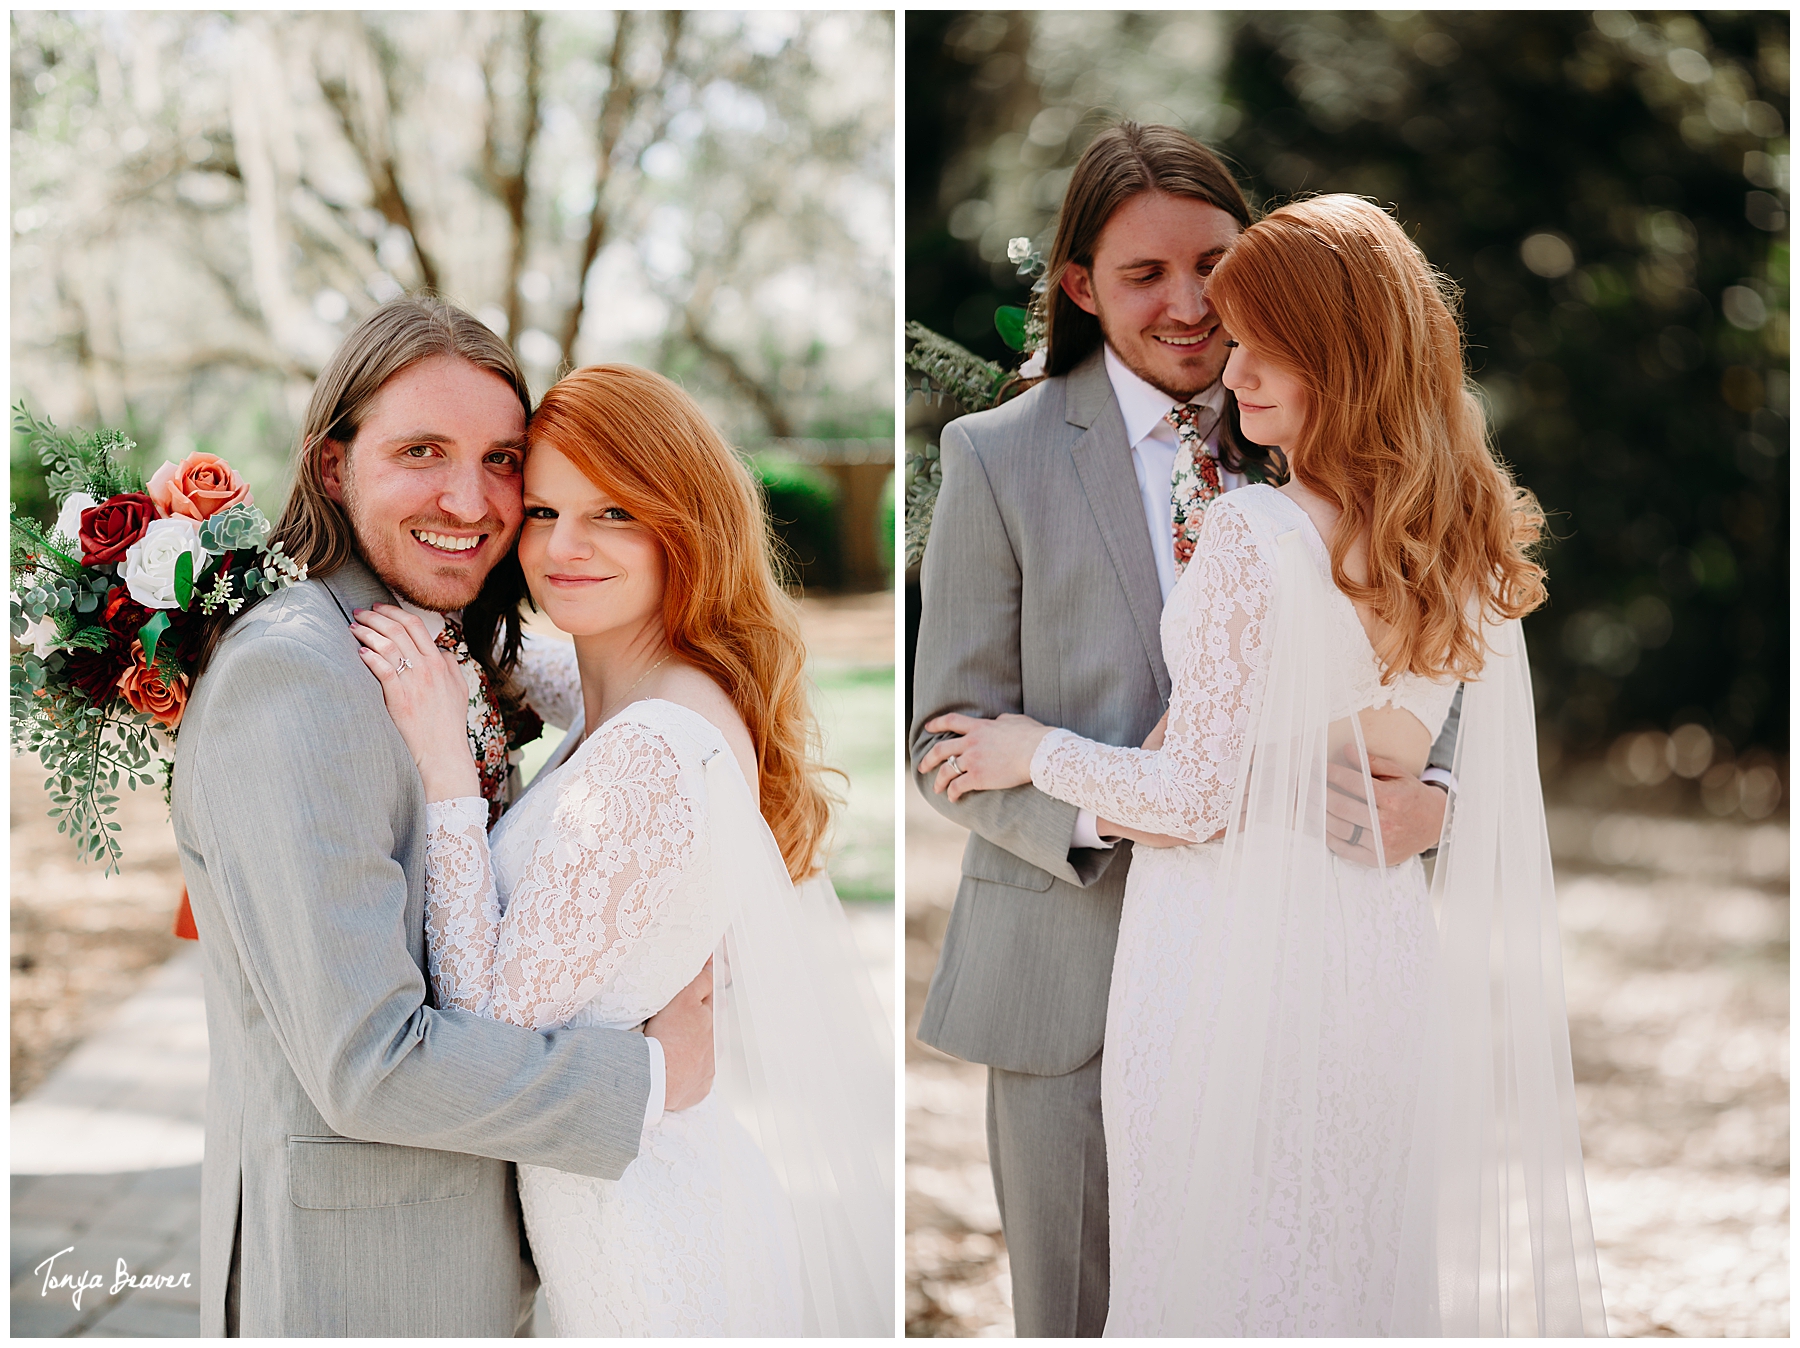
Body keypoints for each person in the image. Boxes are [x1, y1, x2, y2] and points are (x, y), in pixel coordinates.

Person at [920, 195, 1607, 1334]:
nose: (1234, 369)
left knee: (1215, 1272)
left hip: (1218, 958)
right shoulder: (1462, 537)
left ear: (1344, 351)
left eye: (1266, 343)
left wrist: (1029, 747)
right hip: (1374, 957)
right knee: (1348, 1264)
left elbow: (1192, 797)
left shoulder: (1256, 533)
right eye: (1237, 339)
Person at [171, 297, 715, 1336]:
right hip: (372, 1280)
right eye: (423, 450)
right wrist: (650, 1078)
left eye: (504, 459)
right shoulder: (295, 673)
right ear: (334, 465)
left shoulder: (434, 640)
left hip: (486, 1256)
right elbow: (369, 1062)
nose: (470, 499)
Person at [348, 364, 893, 1335]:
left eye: (613, 515)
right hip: (623, 1198)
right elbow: (540, 668)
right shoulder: (637, 686)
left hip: (650, 1248)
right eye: (546, 509)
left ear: (681, 525)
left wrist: (442, 770)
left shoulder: (652, 751)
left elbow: (489, 1037)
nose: (564, 548)